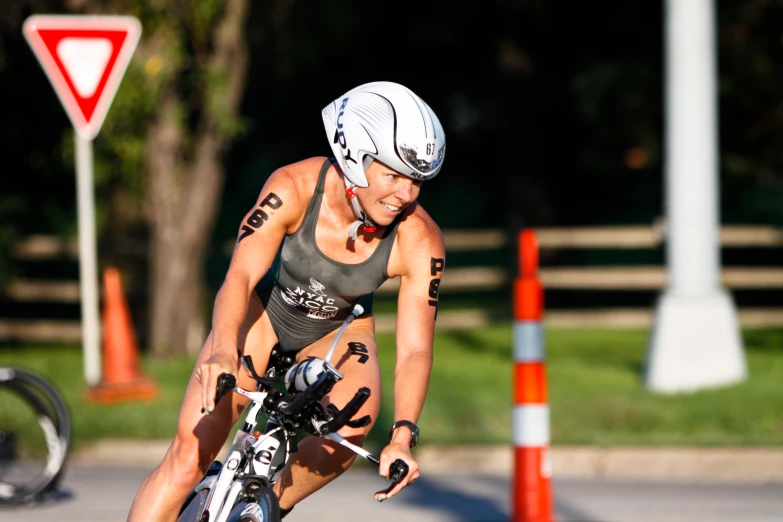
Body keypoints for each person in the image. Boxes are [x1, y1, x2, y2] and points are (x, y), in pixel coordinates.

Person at [127, 80, 447, 521]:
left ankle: (266, 505)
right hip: (266, 316)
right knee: (186, 460)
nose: (406, 195)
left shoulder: (420, 238)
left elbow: (414, 350)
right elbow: (239, 275)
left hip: (339, 331)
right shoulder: (294, 186)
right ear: (354, 156)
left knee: (355, 420)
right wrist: (222, 350)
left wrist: (402, 435)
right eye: (393, 175)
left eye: (416, 181)